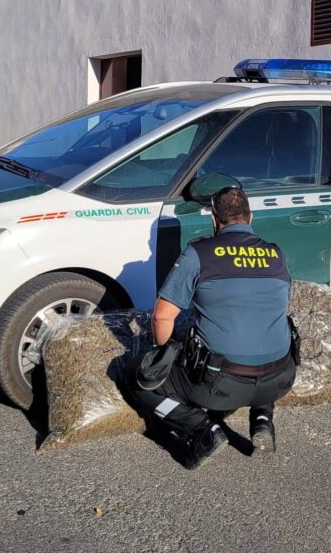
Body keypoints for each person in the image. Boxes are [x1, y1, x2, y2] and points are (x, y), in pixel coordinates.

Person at [125, 186, 297, 469]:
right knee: (260, 342)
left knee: (138, 378)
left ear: (213, 220)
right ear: (250, 217)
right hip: (281, 379)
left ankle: (201, 428)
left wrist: (162, 356)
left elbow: (162, 317)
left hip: (221, 386)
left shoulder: (199, 253)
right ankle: (263, 418)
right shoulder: (275, 254)